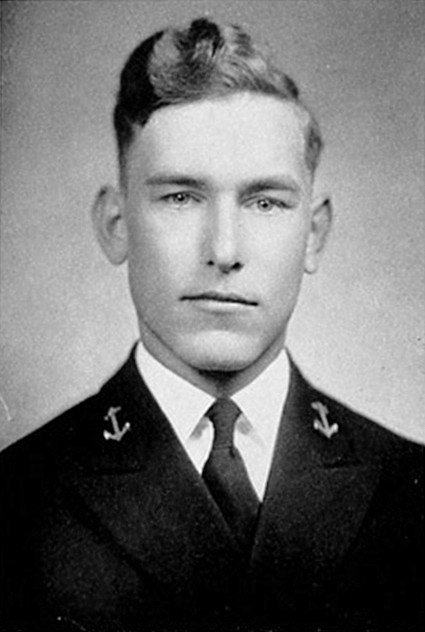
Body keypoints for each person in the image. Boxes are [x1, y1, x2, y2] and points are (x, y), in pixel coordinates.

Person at [0, 17, 423, 632]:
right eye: (180, 197)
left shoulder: (412, 492)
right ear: (116, 224)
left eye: (265, 202)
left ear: (314, 232)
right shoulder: (17, 500)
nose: (224, 251)